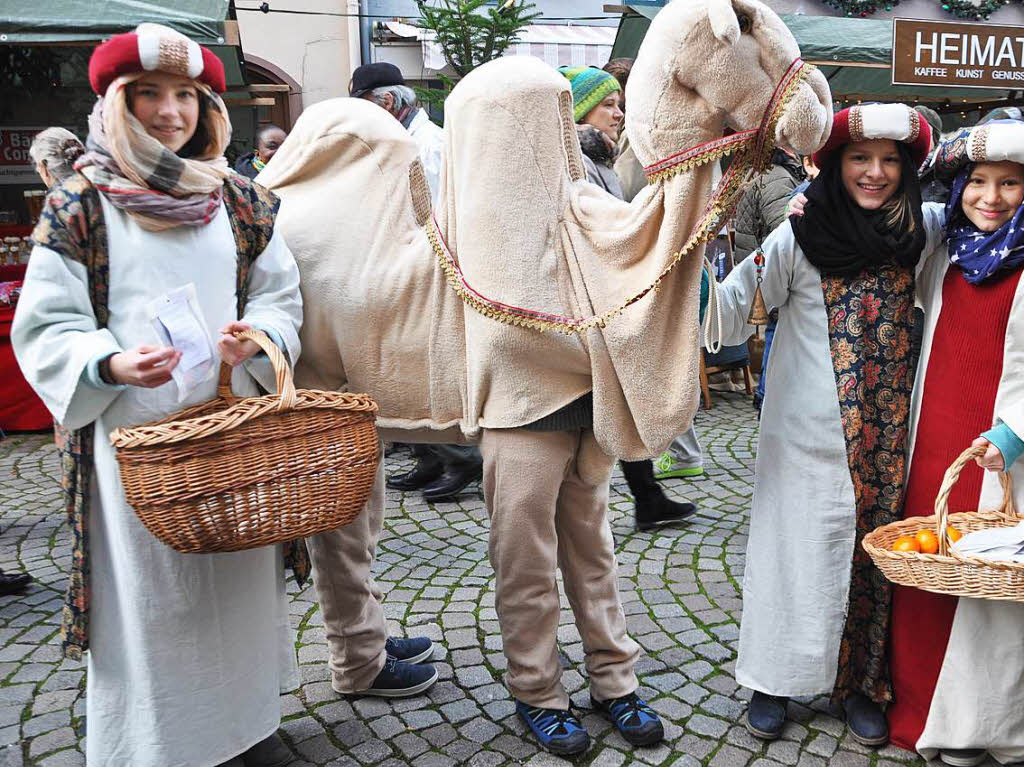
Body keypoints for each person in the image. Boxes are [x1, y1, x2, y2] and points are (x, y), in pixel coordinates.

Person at [12, 24, 305, 766]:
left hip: (228, 431)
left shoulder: (241, 199)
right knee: (153, 599)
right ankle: (160, 742)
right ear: (118, 102)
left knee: (235, 586)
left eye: (186, 94)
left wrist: (259, 341)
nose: (171, 111)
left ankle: (247, 726)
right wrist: (108, 364)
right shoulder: (79, 202)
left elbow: (281, 297)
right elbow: (45, 324)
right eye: (150, 94)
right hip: (128, 444)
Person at [713, 103, 940, 746]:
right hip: (805, 432)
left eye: (890, 160)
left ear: (907, 167)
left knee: (871, 559)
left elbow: (989, 215)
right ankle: (773, 679)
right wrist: (686, 257)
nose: (874, 173)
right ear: (835, 165)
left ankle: (861, 684)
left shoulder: (922, 231)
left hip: (890, 438)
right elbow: (733, 309)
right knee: (796, 552)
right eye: (859, 159)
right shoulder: (800, 234)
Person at [886, 118, 1024, 767]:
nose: (991, 197)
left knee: (985, 578)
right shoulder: (946, 248)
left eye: (1011, 183)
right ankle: (913, 705)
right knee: (928, 559)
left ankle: (977, 725)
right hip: (934, 434)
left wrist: (1013, 433)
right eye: (981, 182)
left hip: (999, 453)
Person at [560, 64, 697, 532]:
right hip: (592, 301)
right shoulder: (578, 162)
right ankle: (639, 497)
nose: (618, 113)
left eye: (620, 104)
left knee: (617, 396)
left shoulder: (600, 159)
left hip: (605, 298)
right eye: (608, 105)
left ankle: (647, 496)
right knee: (614, 395)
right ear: (580, 110)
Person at [349, 62, 484, 501]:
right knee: (405, 369)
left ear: (386, 103)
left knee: (424, 371)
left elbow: (435, 218)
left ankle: (462, 460)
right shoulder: (405, 143)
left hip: (429, 273)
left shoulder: (428, 147)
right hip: (405, 269)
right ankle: (431, 458)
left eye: (363, 107)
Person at [732, 148, 804, 414]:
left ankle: (765, 393)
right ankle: (765, 395)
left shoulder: (765, 171)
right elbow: (784, 229)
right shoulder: (777, 176)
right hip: (771, 272)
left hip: (762, 268)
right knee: (778, 330)